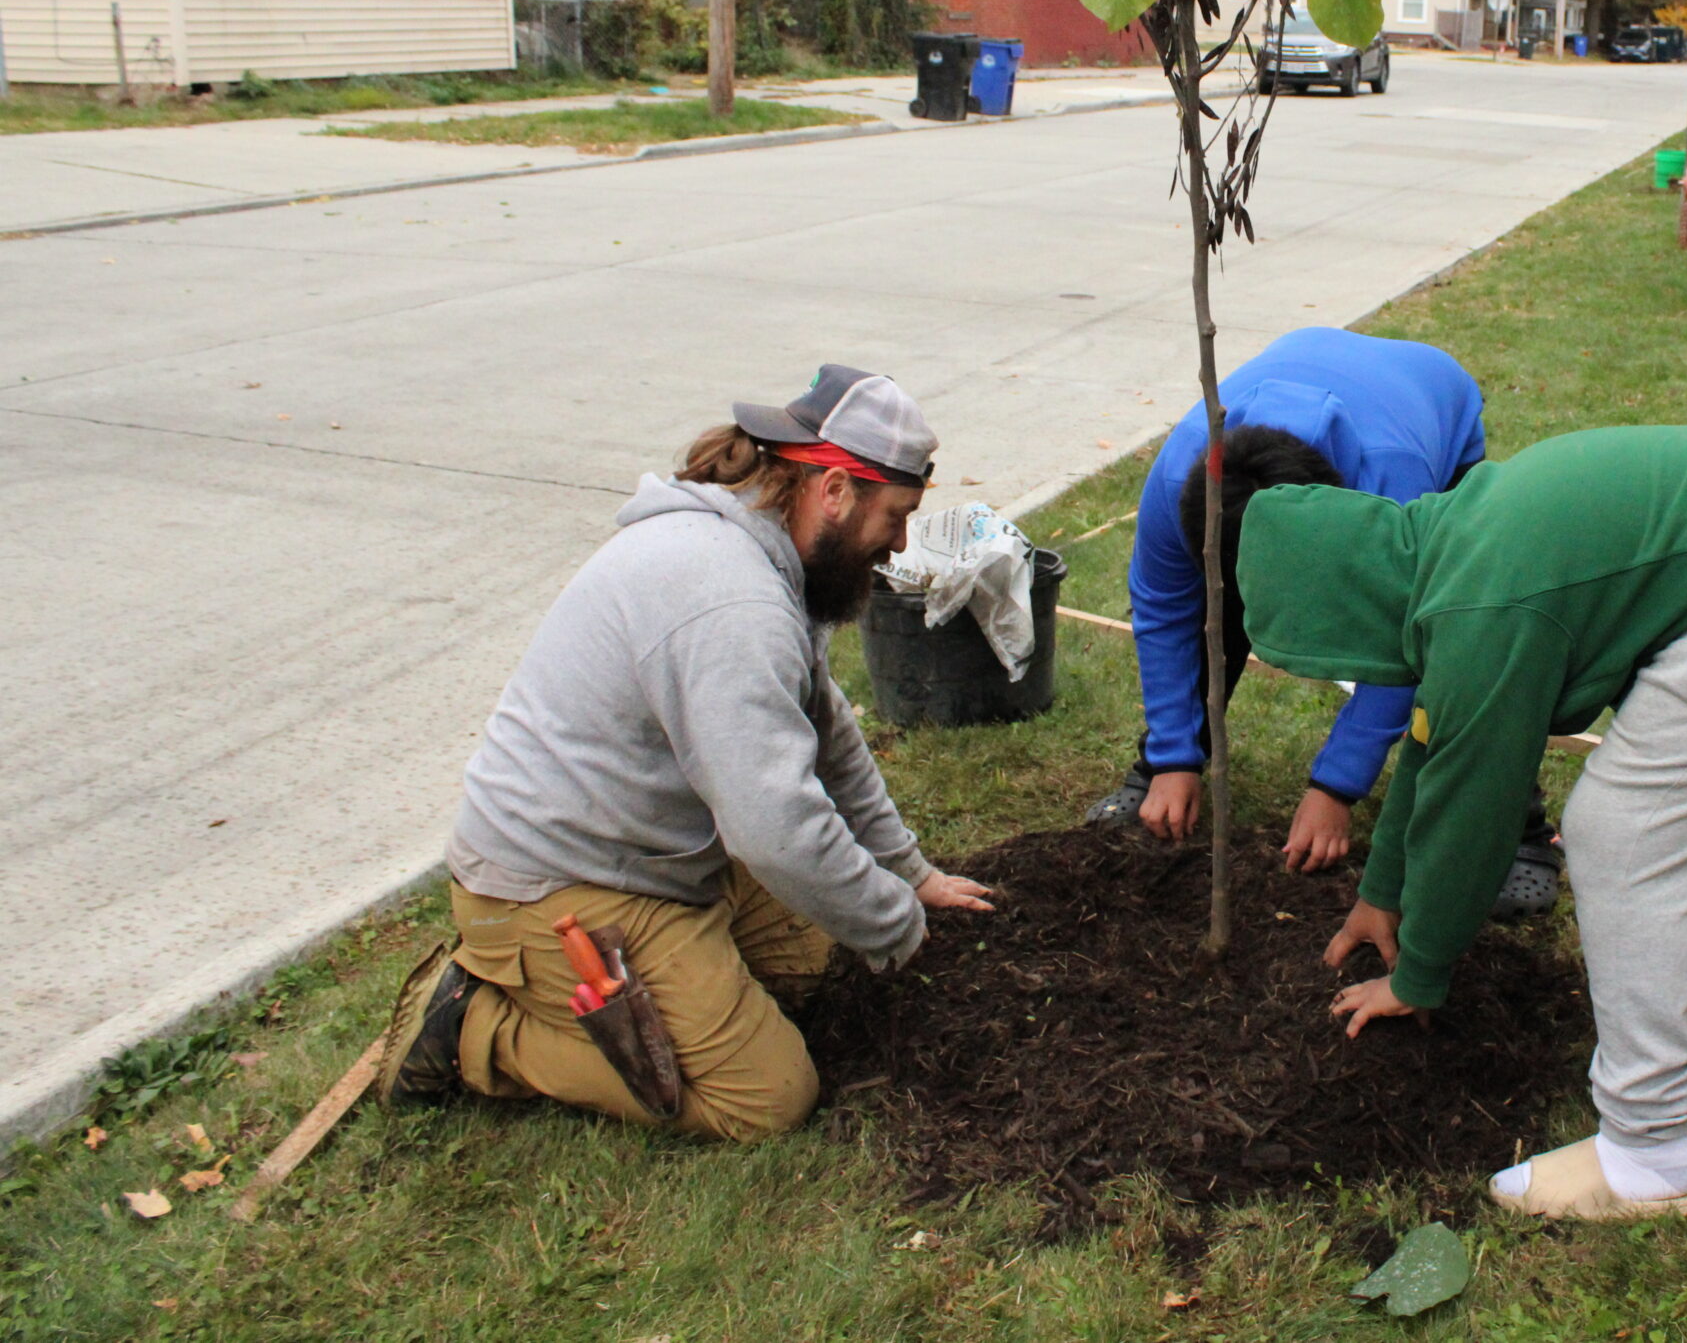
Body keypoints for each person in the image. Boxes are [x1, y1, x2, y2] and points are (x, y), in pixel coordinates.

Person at [1234, 425, 1687, 1220]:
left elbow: (1473, 810)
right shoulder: (1452, 545)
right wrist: (1382, 888)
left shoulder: (1482, 610)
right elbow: (1436, 736)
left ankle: (1649, 1152)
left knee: (1623, 832)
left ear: (1343, 605)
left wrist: (1418, 972)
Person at [377, 365, 993, 1142]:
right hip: (555, 886)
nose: (901, 542)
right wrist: (898, 928)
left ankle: (668, 981)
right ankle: (475, 1027)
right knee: (767, 1095)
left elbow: (826, 731)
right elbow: (774, 831)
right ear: (834, 490)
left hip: (650, 854)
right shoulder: (733, 600)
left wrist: (911, 876)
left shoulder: (771, 560)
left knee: (814, 958)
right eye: (896, 515)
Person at [1086, 327, 1561, 912]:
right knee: (1216, 611)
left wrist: (1336, 787)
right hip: (1314, 361)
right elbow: (1165, 612)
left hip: (1427, 393)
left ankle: (1521, 831)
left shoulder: (1397, 489)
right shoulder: (1181, 477)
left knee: (1463, 636)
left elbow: (1403, 643)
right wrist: (1171, 757)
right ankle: (1166, 765)